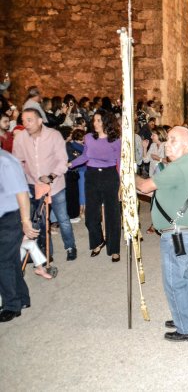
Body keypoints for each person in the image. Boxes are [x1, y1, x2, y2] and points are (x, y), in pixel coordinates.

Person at [136, 126, 188, 342]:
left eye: (173, 140)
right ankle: (186, 317)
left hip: (177, 235)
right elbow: (157, 191)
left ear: (187, 146)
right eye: (168, 139)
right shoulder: (186, 164)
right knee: (183, 277)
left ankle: (186, 328)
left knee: (175, 281)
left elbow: (146, 187)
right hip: (183, 232)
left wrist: (129, 174)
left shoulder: (178, 167)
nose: (167, 144)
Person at [12, 108, 78, 261]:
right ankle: (47, 252)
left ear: (40, 121)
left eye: (30, 120)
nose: (26, 124)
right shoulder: (20, 138)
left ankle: (70, 246)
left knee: (63, 219)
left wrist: (51, 176)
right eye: (23, 121)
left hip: (55, 185)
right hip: (34, 186)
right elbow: (18, 161)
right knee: (40, 222)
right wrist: (23, 175)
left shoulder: (54, 135)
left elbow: (62, 160)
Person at [70, 109, 122, 262]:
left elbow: (120, 162)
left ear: (106, 122)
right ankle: (98, 241)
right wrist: (71, 164)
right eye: (94, 120)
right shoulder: (88, 137)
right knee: (91, 215)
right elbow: (85, 156)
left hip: (110, 176)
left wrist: (120, 183)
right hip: (92, 176)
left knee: (112, 215)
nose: (95, 123)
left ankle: (114, 249)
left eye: (99, 120)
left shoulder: (116, 140)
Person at [0, 148, 39, 322]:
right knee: (11, 260)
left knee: (3, 261)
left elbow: (22, 193)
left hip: (10, 217)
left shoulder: (5, 162)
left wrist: (25, 221)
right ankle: (22, 298)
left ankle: (11, 305)